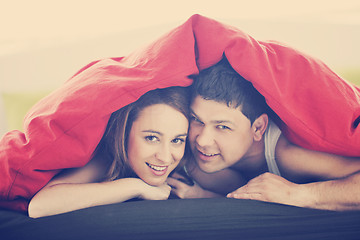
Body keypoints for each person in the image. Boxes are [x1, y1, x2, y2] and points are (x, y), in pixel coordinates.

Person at [168, 57, 360, 211]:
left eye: (223, 127)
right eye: (197, 119)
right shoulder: (192, 157)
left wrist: (296, 194)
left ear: (258, 128)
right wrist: (202, 196)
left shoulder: (289, 155)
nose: (202, 140)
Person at [28, 86, 191, 218]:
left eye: (177, 141)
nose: (164, 157)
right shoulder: (105, 159)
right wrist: (134, 187)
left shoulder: (190, 165)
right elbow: (39, 206)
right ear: (125, 133)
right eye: (151, 138)